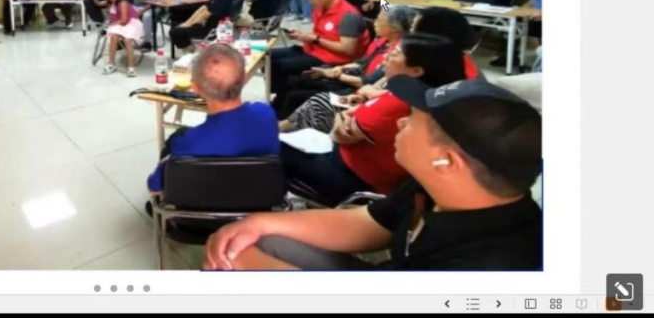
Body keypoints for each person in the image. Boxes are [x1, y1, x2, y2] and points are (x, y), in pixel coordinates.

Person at [205, 78, 542, 271]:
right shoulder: (436, 187)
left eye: (412, 121)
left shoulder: (487, 265)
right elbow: (370, 222)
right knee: (259, 238)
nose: (400, 122)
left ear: (447, 161)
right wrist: (260, 222)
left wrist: (246, 267)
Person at [279, 34, 468, 206]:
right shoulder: (424, 93)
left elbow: (339, 136)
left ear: (416, 70)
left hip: (350, 176)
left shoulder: (398, 103)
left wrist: (341, 116)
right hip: (366, 166)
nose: (386, 58)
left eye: (394, 54)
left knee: (270, 146)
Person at [147, 44, 280, 194]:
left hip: (200, 205)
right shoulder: (266, 113)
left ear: (195, 88)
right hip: (262, 199)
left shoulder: (185, 143)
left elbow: (154, 188)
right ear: (244, 78)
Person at [274, 5, 417, 121]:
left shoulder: (397, 54)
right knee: (292, 82)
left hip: (354, 91)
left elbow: (365, 82)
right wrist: (338, 68)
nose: (374, 22)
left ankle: (282, 128)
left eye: (379, 20)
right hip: (349, 78)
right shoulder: (382, 41)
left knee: (294, 96)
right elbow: (360, 62)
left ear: (394, 29)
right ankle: (272, 117)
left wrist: (334, 74)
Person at [270, 0, 370, 101]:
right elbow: (321, 34)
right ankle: (278, 93)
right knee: (268, 56)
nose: (309, 1)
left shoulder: (348, 16)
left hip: (334, 59)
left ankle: (281, 99)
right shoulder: (320, 8)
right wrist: (303, 35)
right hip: (315, 50)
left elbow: (348, 49)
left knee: (279, 66)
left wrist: (316, 39)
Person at [170, 0, 243, 50]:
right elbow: (203, 8)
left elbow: (205, 14)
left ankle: (192, 51)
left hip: (211, 31)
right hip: (213, 25)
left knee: (174, 32)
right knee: (183, 24)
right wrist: (187, 23)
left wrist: (187, 24)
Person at [101, 0, 143, 78]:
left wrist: (111, 24)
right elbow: (100, 4)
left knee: (127, 40)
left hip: (131, 23)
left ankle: (131, 67)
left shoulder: (122, 3)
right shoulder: (111, 2)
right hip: (120, 23)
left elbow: (124, 20)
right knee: (113, 37)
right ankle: (111, 64)